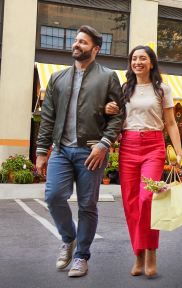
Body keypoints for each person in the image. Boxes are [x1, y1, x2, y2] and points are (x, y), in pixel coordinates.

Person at [36, 25, 125, 277]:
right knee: (53, 196)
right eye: (76, 40)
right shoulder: (57, 78)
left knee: (87, 204)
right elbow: (48, 117)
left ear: (95, 49)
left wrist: (104, 143)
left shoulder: (108, 77)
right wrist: (42, 151)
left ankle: (82, 256)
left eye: (83, 42)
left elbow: (119, 115)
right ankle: (68, 238)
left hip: (91, 151)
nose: (76, 45)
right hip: (62, 150)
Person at [105, 45, 182, 278]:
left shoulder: (162, 89)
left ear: (151, 63)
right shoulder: (124, 88)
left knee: (147, 199)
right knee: (130, 204)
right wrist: (108, 109)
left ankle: (151, 252)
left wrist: (179, 153)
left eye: (142, 58)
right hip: (128, 146)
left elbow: (170, 123)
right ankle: (138, 254)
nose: (137, 62)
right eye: (134, 58)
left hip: (153, 146)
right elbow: (116, 117)